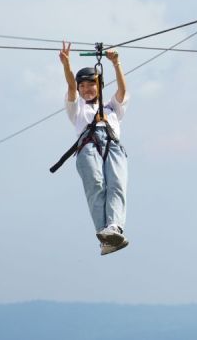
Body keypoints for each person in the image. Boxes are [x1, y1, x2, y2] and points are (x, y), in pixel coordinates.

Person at [59, 41, 130, 255]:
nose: (86, 89)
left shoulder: (111, 107)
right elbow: (71, 87)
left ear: (99, 86)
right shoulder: (77, 109)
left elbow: (123, 90)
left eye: (91, 85)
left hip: (113, 147)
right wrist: (67, 65)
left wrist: (116, 63)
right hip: (88, 147)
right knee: (97, 185)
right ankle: (103, 233)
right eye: (83, 86)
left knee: (116, 184)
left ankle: (114, 228)